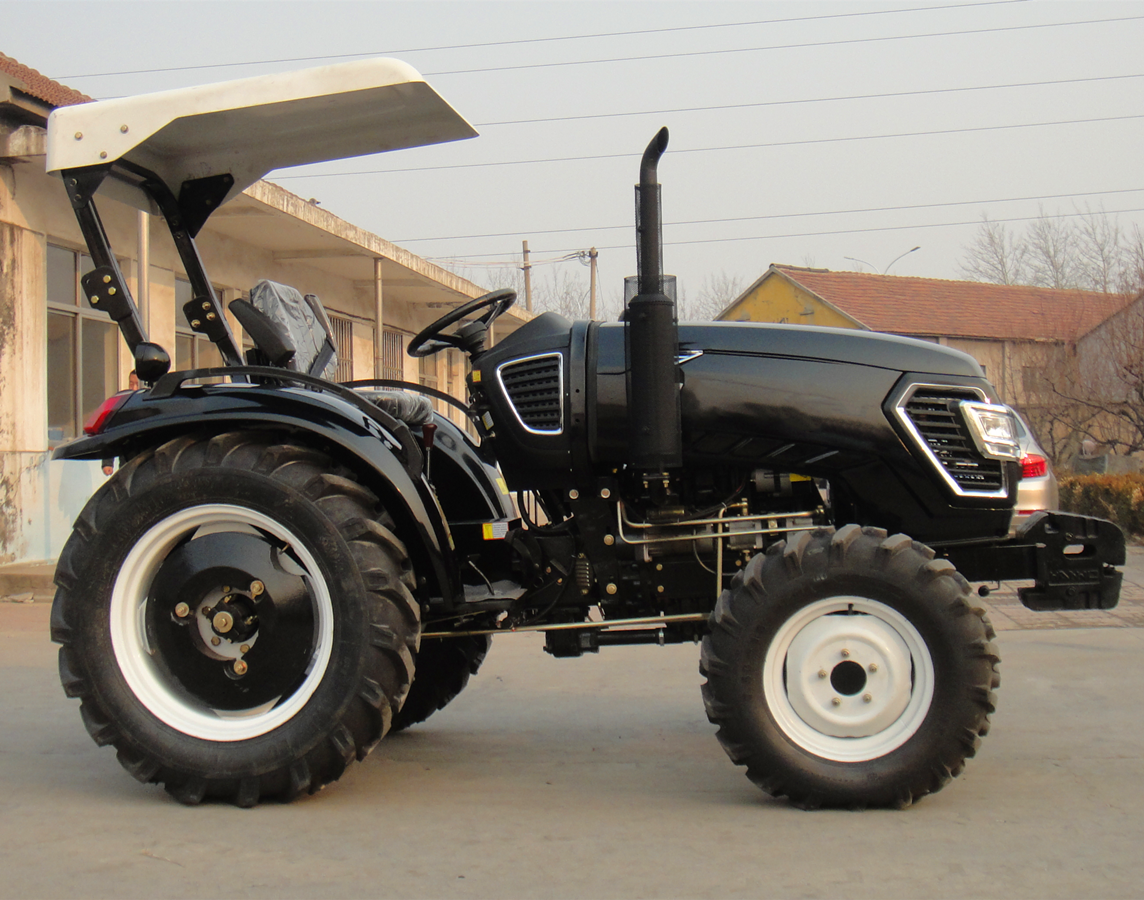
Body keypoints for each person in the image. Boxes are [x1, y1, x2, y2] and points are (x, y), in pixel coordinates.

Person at [101, 370, 140, 476]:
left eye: (137, 384)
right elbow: (112, 432)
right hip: (126, 465)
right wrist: (107, 462)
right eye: (131, 383)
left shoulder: (155, 405)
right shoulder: (123, 406)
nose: (134, 388)